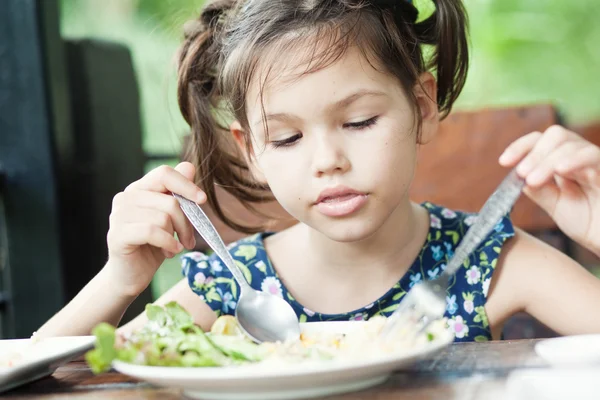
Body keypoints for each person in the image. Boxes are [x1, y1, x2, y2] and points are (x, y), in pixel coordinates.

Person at [37, 0, 600, 342]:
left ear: (422, 108)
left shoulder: (489, 260)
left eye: (358, 122)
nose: (327, 160)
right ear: (252, 150)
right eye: (286, 137)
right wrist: (118, 282)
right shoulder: (236, 289)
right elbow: (37, 379)